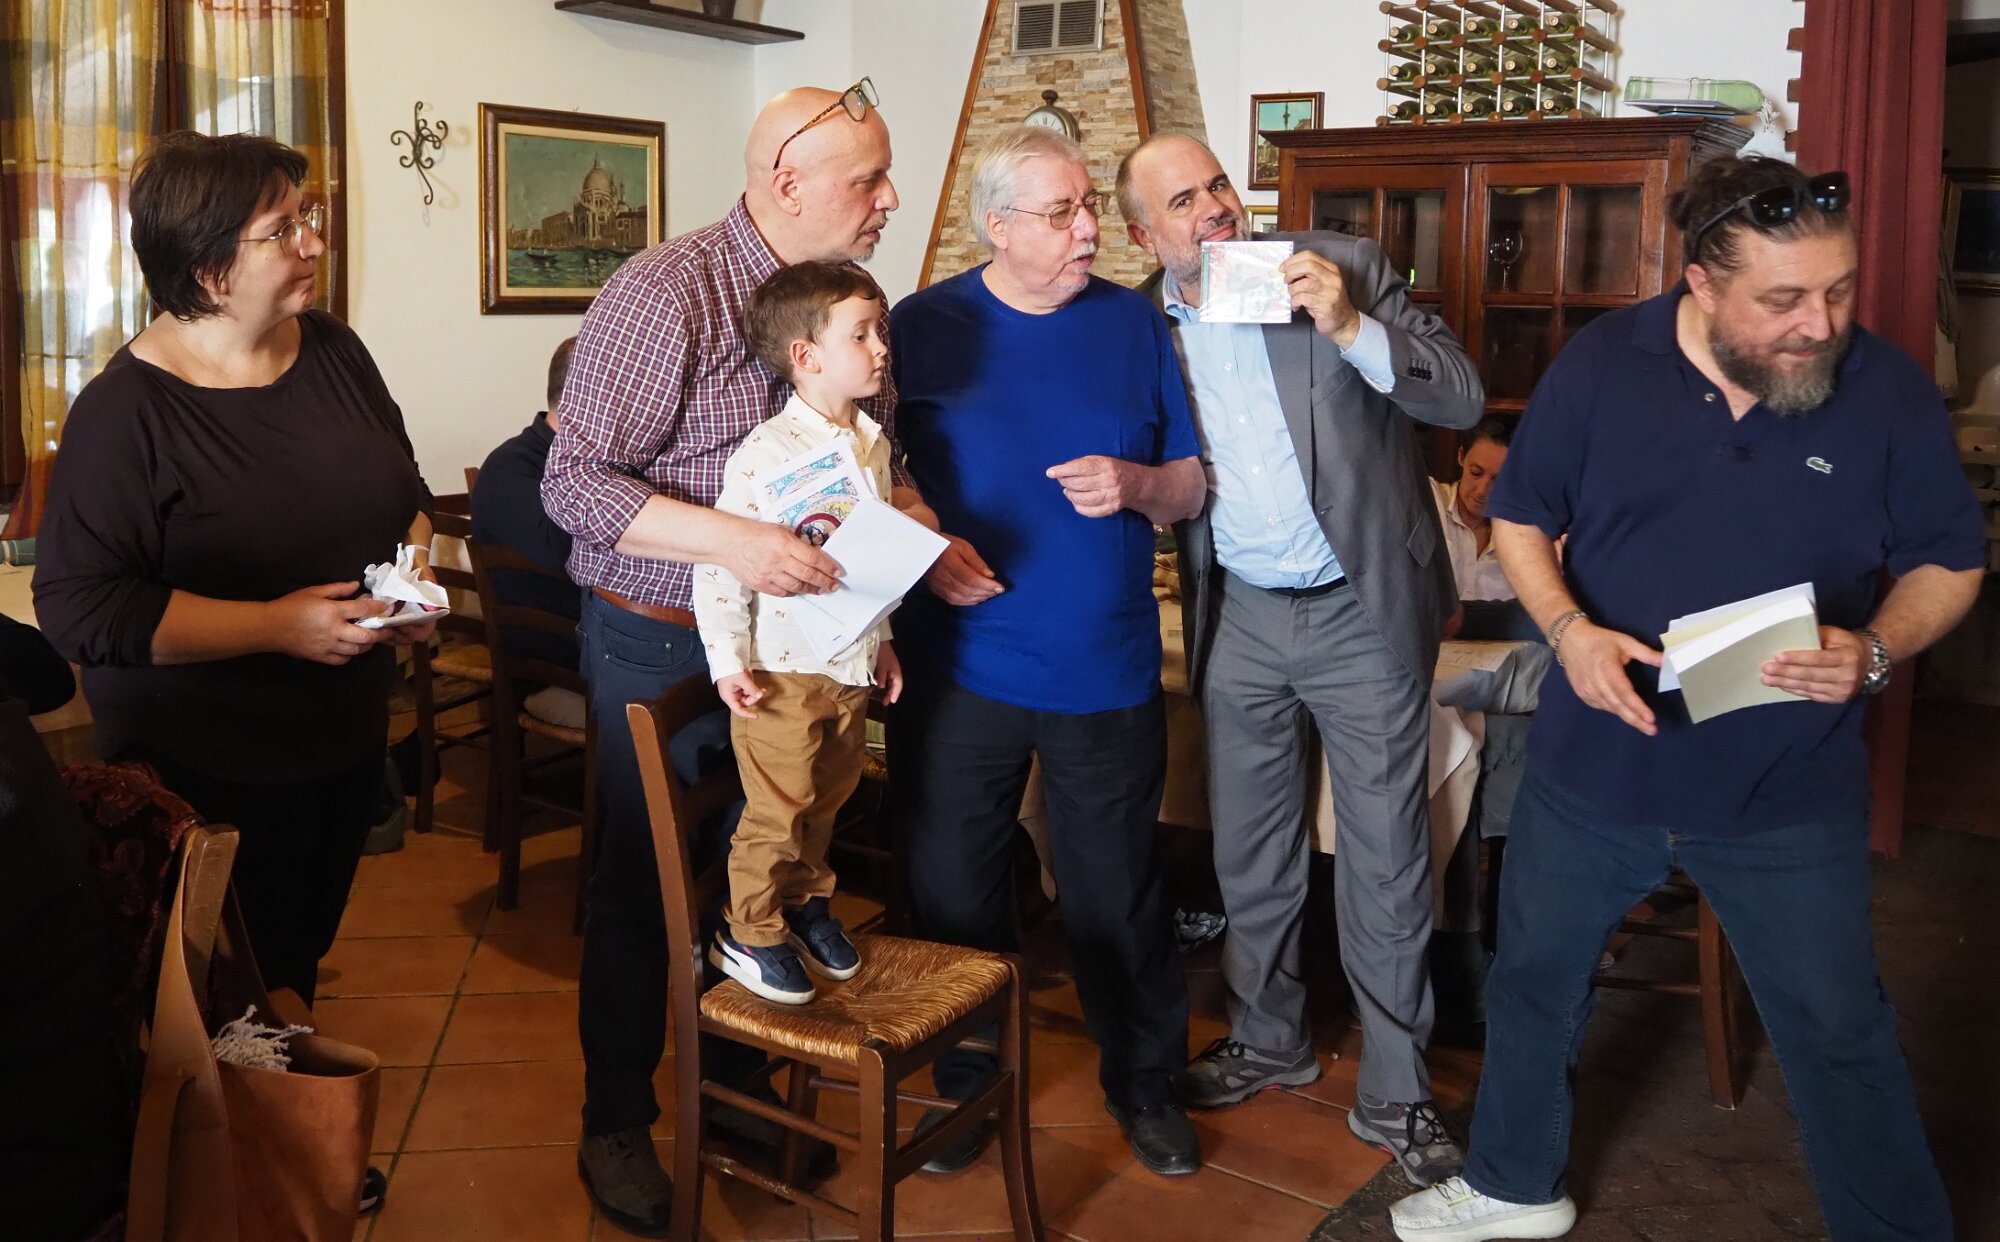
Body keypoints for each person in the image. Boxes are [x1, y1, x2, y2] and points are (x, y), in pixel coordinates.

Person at [1389, 157, 1981, 1242]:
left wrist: (1875, 650)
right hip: (1596, 761)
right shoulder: (1599, 365)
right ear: (1701, 283)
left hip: (1785, 781)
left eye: (1839, 289)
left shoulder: (1885, 389)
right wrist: (1567, 633)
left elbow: (1949, 560)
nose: (1820, 323)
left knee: (1837, 1030)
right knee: (1533, 984)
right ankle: (1515, 1186)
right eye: (1784, 299)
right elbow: (1520, 516)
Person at [35, 131, 432, 1219]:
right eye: (284, 229)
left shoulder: (334, 350)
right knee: (216, 988)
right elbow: (84, 611)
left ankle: (284, 1136)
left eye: (310, 216)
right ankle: (239, 1169)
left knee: (296, 951)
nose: (314, 244)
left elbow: (398, 492)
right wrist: (276, 627)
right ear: (209, 269)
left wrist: (407, 579)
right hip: (203, 763)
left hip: (341, 732)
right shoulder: (126, 412)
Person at [540, 81, 909, 1238]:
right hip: (659, 636)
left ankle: (740, 1096)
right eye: (868, 179)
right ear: (787, 183)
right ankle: (614, 1120)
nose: (890, 198)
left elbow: (861, 471)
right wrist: (735, 543)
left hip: (800, 643)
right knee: (644, 884)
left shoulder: (848, 303)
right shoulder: (666, 291)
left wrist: (899, 582)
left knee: (773, 857)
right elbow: (573, 486)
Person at [1116, 132, 1484, 1186]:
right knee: (1250, 853)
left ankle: (1397, 1089)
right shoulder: (1137, 323)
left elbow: (1459, 398)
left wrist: (1352, 326)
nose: (1214, 208)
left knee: (1385, 857)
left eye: (1218, 185)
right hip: (1236, 612)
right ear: (1144, 236)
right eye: (1182, 202)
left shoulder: (1341, 265)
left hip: (1360, 607)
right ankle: (1268, 1037)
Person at [888, 125, 1206, 1177]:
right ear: (997, 225)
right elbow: (871, 469)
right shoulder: (919, 326)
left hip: (1102, 668)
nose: (1088, 232)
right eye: (1062, 213)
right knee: (953, 890)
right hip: (956, 668)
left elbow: (1188, 485)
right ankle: (965, 1081)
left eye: (1088, 209)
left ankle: (1143, 1085)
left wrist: (1136, 483)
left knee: (1117, 892)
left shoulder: (1132, 323)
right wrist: (924, 538)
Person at [695, 262, 908, 1004]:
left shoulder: (873, 443)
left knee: (827, 799)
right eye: (863, 335)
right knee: (778, 810)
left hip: (849, 663)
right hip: (782, 670)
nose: (881, 348)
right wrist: (727, 660)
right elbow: (720, 562)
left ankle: (805, 903)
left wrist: (883, 640)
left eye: (880, 331)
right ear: (806, 356)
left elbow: (869, 559)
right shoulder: (766, 454)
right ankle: (749, 929)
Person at [471, 336, 583, 726]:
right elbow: (562, 554)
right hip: (552, 666)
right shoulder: (512, 467)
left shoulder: (590, 464)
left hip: (595, 645)